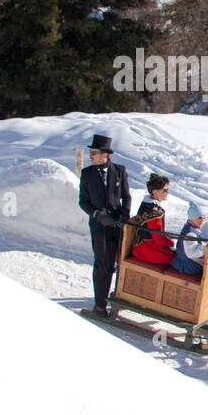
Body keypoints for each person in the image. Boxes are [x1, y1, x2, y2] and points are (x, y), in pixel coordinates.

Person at [77, 133, 131, 316]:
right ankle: (100, 306)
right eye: (90, 153)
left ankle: (118, 297)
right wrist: (97, 215)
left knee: (119, 263)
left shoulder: (120, 171)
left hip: (117, 226)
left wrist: (123, 219)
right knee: (103, 264)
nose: (90, 156)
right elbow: (83, 202)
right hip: (99, 227)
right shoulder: (86, 174)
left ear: (104, 155)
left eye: (93, 153)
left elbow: (126, 197)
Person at [131, 174, 176, 267]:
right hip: (147, 250)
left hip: (144, 247)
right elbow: (158, 239)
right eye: (165, 190)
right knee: (178, 259)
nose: (167, 192)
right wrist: (171, 242)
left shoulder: (147, 205)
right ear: (155, 192)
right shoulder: (153, 212)